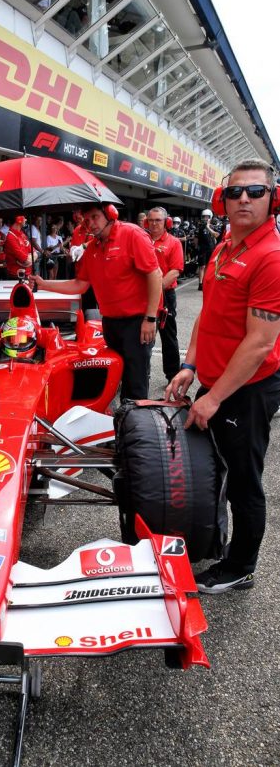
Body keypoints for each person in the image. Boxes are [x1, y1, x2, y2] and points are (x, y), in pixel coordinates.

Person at [166, 159, 280, 594]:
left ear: (273, 199)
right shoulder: (224, 248)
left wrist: (213, 399)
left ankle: (241, 568)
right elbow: (208, 316)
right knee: (221, 469)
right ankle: (219, 544)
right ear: (223, 201)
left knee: (244, 479)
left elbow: (259, 344)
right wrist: (190, 366)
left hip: (247, 390)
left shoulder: (270, 257)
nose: (244, 199)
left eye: (255, 191)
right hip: (216, 381)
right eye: (235, 193)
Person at [30, 202, 162, 400]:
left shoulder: (132, 234)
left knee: (135, 385)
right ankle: (121, 422)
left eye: (95, 217)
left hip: (137, 322)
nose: (90, 224)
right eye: (87, 220)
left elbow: (155, 274)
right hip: (110, 323)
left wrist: (150, 319)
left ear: (110, 214)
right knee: (114, 378)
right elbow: (80, 285)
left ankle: (136, 427)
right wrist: (44, 284)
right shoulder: (92, 248)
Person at [147, 207, 184, 382]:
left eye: (158, 220)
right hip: (143, 296)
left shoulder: (174, 242)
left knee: (168, 336)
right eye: (151, 220)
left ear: (166, 222)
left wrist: (156, 288)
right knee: (143, 334)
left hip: (165, 295)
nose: (154, 224)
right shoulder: (143, 240)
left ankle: (172, 377)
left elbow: (175, 271)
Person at [195, 208, 219, 290]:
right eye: (204, 216)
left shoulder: (213, 226)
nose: (205, 218)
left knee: (209, 266)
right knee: (202, 266)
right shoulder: (199, 227)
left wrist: (208, 227)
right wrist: (196, 248)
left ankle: (206, 281)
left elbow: (216, 235)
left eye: (207, 217)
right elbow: (196, 239)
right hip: (202, 249)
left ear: (210, 217)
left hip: (211, 249)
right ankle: (200, 283)